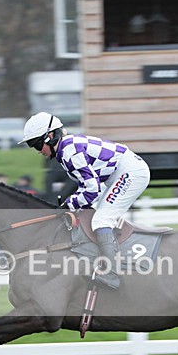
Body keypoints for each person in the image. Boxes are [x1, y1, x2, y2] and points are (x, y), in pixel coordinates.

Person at [19, 112, 150, 289]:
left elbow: (92, 189)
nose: (37, 151)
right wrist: (68, 204)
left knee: (101, 220)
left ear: (50, 136)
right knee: (91, 216)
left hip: (130, 173)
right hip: (118, 174)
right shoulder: (65, 150)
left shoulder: (70, 151)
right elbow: (85, 187)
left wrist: (69, 204)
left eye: (36, 144)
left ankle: (111, 274)